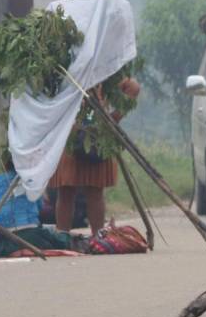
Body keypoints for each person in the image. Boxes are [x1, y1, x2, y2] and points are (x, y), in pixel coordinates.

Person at [53, 76, 141, 234]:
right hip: (70, 131)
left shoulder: (106, 71)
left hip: (95, 135)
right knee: (67, 189)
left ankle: (96, 235)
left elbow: (133, 87)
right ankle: (64, 237)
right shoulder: (69, 68)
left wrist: (112, 119)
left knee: (93, 189)